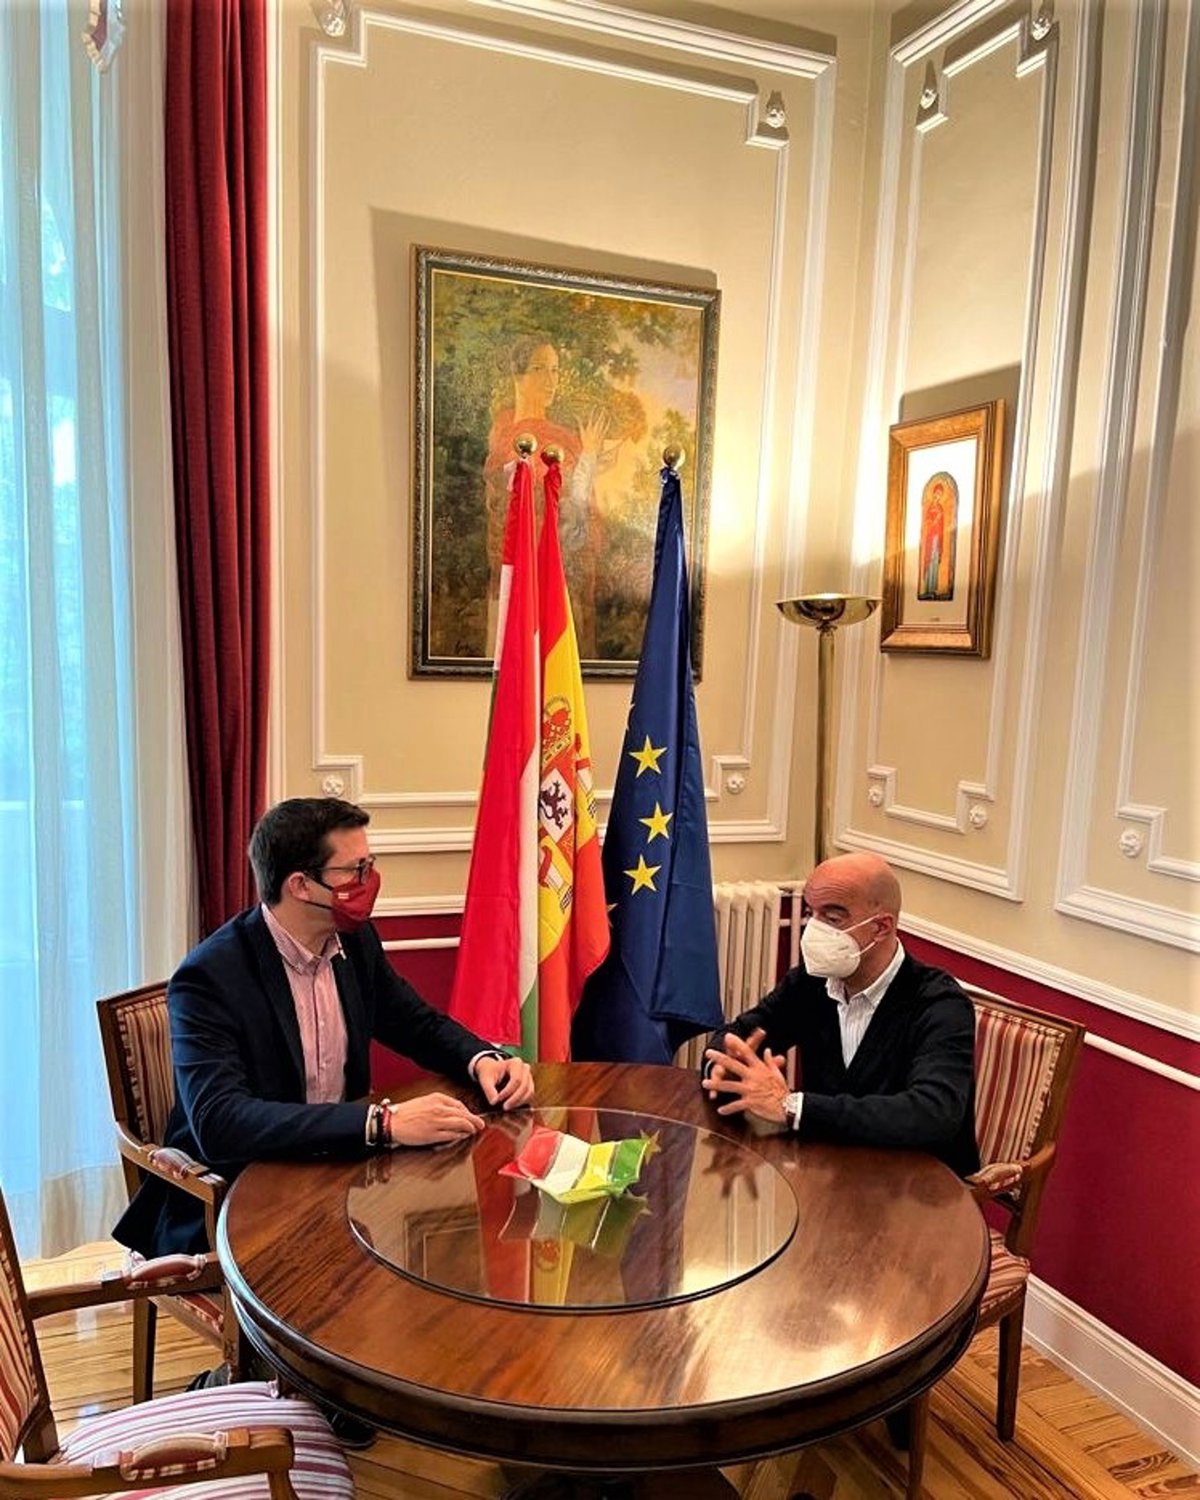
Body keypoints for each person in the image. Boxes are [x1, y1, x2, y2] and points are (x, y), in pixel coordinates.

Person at [114, 797, 535, 1262]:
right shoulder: (209, 977)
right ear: (300, 885)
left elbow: (415, 1023)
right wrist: (383, 1123)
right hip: (238, 1199)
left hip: (338, 1180)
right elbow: (221, 1122)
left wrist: (483, 1059)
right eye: (356, 871)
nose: (370, 882)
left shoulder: (355, 941)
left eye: (370, 865)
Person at [701, 851, 978, 1177]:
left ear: (881, 927)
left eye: (832, 919)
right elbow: (739, 1036)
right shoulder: (811, 983)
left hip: (919, 1187)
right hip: (831, 1174)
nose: (813, 930)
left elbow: (932, 1114)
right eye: (811, 914)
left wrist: (793, 1107)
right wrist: (727, 1069)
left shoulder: (941, 1004)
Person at [483, 335, 613, 658]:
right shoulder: (505, 433)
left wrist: (589, 458)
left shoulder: (564, 439)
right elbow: (538, 506)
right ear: (517, 375)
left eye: (555, 370)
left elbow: (576, 514)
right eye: (540, 369)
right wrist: (588, 460)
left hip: (562, 585)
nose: (551, 380)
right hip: (520, 586)